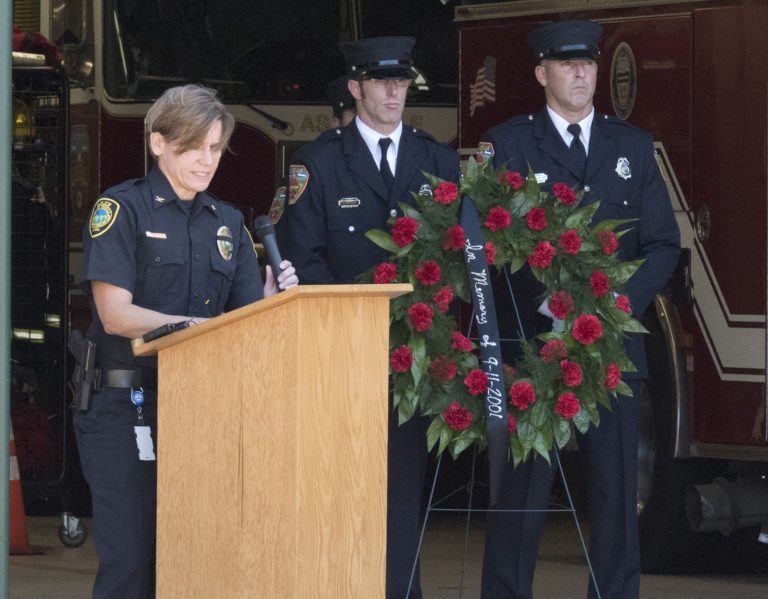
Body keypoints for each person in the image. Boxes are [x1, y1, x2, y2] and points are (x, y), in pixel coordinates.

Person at [478, 20, 680, 599]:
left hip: (610, 347)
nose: (581, 74)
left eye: (588, 64)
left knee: (616, 495)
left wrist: (614, 305)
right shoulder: (509, 145)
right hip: (534, 348)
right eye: (567, 65)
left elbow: (664, 244)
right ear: (542, 73)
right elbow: (482, 248)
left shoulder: (633, 147)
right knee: (521, 495)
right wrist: (544, 307)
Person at [73, 84, 297, 599]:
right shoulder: (121, 210)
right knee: (131, 557)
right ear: (159, 143)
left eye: (215, 147)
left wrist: (270, 300)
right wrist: (194, 327)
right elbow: (114, 315)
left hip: (202, 407)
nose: (206, 159)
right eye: (194, 146)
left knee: (192, 555)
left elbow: (243, 324)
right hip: (122, 404)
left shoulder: (230, 222)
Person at [276, 36, 459, 598]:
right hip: (343, 352)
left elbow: (459, 254)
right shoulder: (318, 162)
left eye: (401, 82)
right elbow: (302, 258)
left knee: (402, 497)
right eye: (381, 82)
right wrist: (355, 324)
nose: (393, 92)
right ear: (355, 88)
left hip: (414, 354)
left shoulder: (437, 158)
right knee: (340, 493)